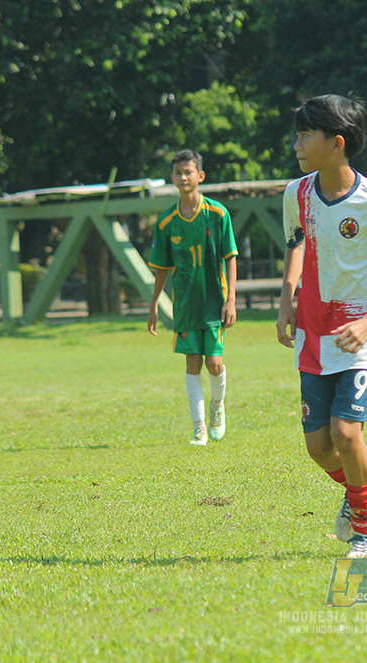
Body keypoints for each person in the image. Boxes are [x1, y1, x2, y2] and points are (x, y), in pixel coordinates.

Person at [275, 94, 367, 558]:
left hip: (364, 333)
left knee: (346, 433)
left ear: (336, 143)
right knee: (318, 445)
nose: (297, 143)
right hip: (314, 332)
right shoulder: (296, 194)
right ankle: (363, 482)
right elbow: (296, 242)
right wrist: (287, 300)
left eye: (305, 135)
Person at [148, 149, 238, 447]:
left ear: (200, 176)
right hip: (185, 306)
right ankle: (199, 428)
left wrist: (231, 300)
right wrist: (153, 308)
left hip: (214, 302)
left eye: (189, 171)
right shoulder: (166, 223)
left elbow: (230, 257)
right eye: (178, 172)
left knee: (214, 363)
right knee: (192, 363)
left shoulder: (218, 213)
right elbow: (162, 270)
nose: (183, 177)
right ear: (172, 178)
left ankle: (217, 407)